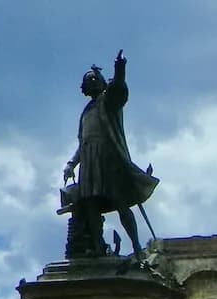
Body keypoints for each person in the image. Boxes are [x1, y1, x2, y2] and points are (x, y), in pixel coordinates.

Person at [61, 50, 159, 260]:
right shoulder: (86, 112)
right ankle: (97, 249)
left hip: (108, 159)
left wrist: (120, 70)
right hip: (89, 163)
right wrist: (71, 164)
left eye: (95, 78)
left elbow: (119, 90)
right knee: (91, 206)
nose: (91, 81)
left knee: (120, 201)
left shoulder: (108, 103)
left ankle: (137, 245)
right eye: (88, 80)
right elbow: (83, 142)